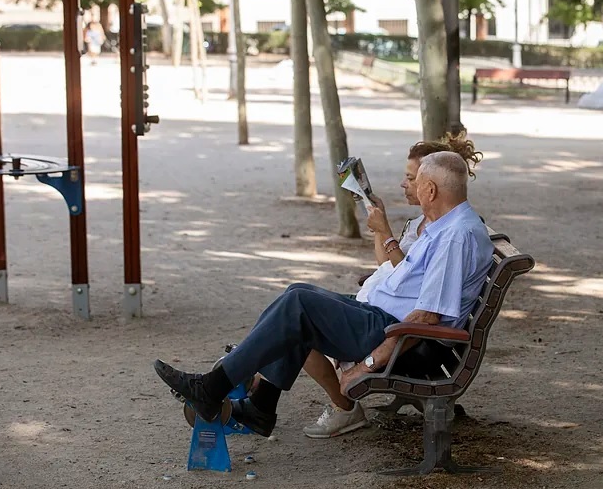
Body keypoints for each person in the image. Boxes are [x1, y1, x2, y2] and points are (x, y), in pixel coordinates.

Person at [153, 152, 494, 440]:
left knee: (299, 306)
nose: (411, 187)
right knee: (298, 293)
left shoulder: (455, 237)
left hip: (403, 338)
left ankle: (213, 389)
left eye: (417, 181)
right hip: (386, 320)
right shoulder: (445, 226)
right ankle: (259, 406)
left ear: (431, 190)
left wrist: (366, 365)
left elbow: (426, 318)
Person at [358, 132, 482, 304]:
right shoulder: (425, 223)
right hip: (376, 302)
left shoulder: (445, 232)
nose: (403, 184)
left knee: (307, 303)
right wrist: (380, 229)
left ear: (431, 184)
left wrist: (385, 232)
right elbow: (388, 266)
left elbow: (409, 281)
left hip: (387, 316)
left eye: (410, 178)